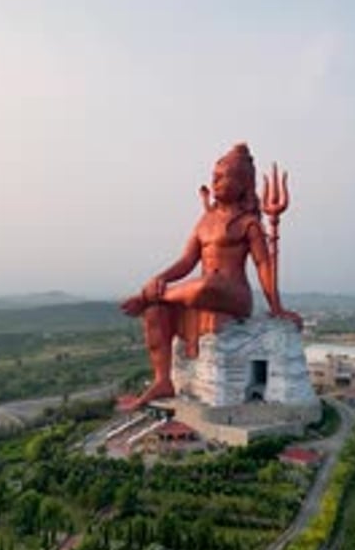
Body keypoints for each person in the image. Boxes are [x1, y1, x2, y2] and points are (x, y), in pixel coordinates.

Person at [121, 143, 301, 408]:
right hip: (201, 291)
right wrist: (159, 279)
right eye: (213, 176)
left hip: (233, 295)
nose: (214, 182)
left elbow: (263, 264)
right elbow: (186, 261)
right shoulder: (205, 221)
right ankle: (162, 380)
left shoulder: (248, 222)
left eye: (222, 177)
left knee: (206, 284)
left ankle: (149, 297)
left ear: (242, 183)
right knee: (154, 312)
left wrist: (276, 306)